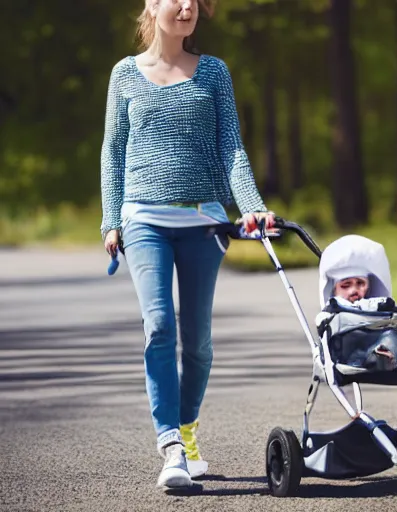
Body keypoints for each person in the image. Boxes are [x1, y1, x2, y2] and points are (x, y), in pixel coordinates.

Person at [100, 0, 275, 489]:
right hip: (143, 220)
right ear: (151, 6)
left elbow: (231, 147)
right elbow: (113, 150)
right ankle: (171, 446)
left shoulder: (214, 72)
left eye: (195, 2)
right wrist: (110, 219)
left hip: (204, 222)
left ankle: (188, 426)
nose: (186, 7)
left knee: (196, 342)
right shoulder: (124, 75)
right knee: (158, 325)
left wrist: (252, 207)